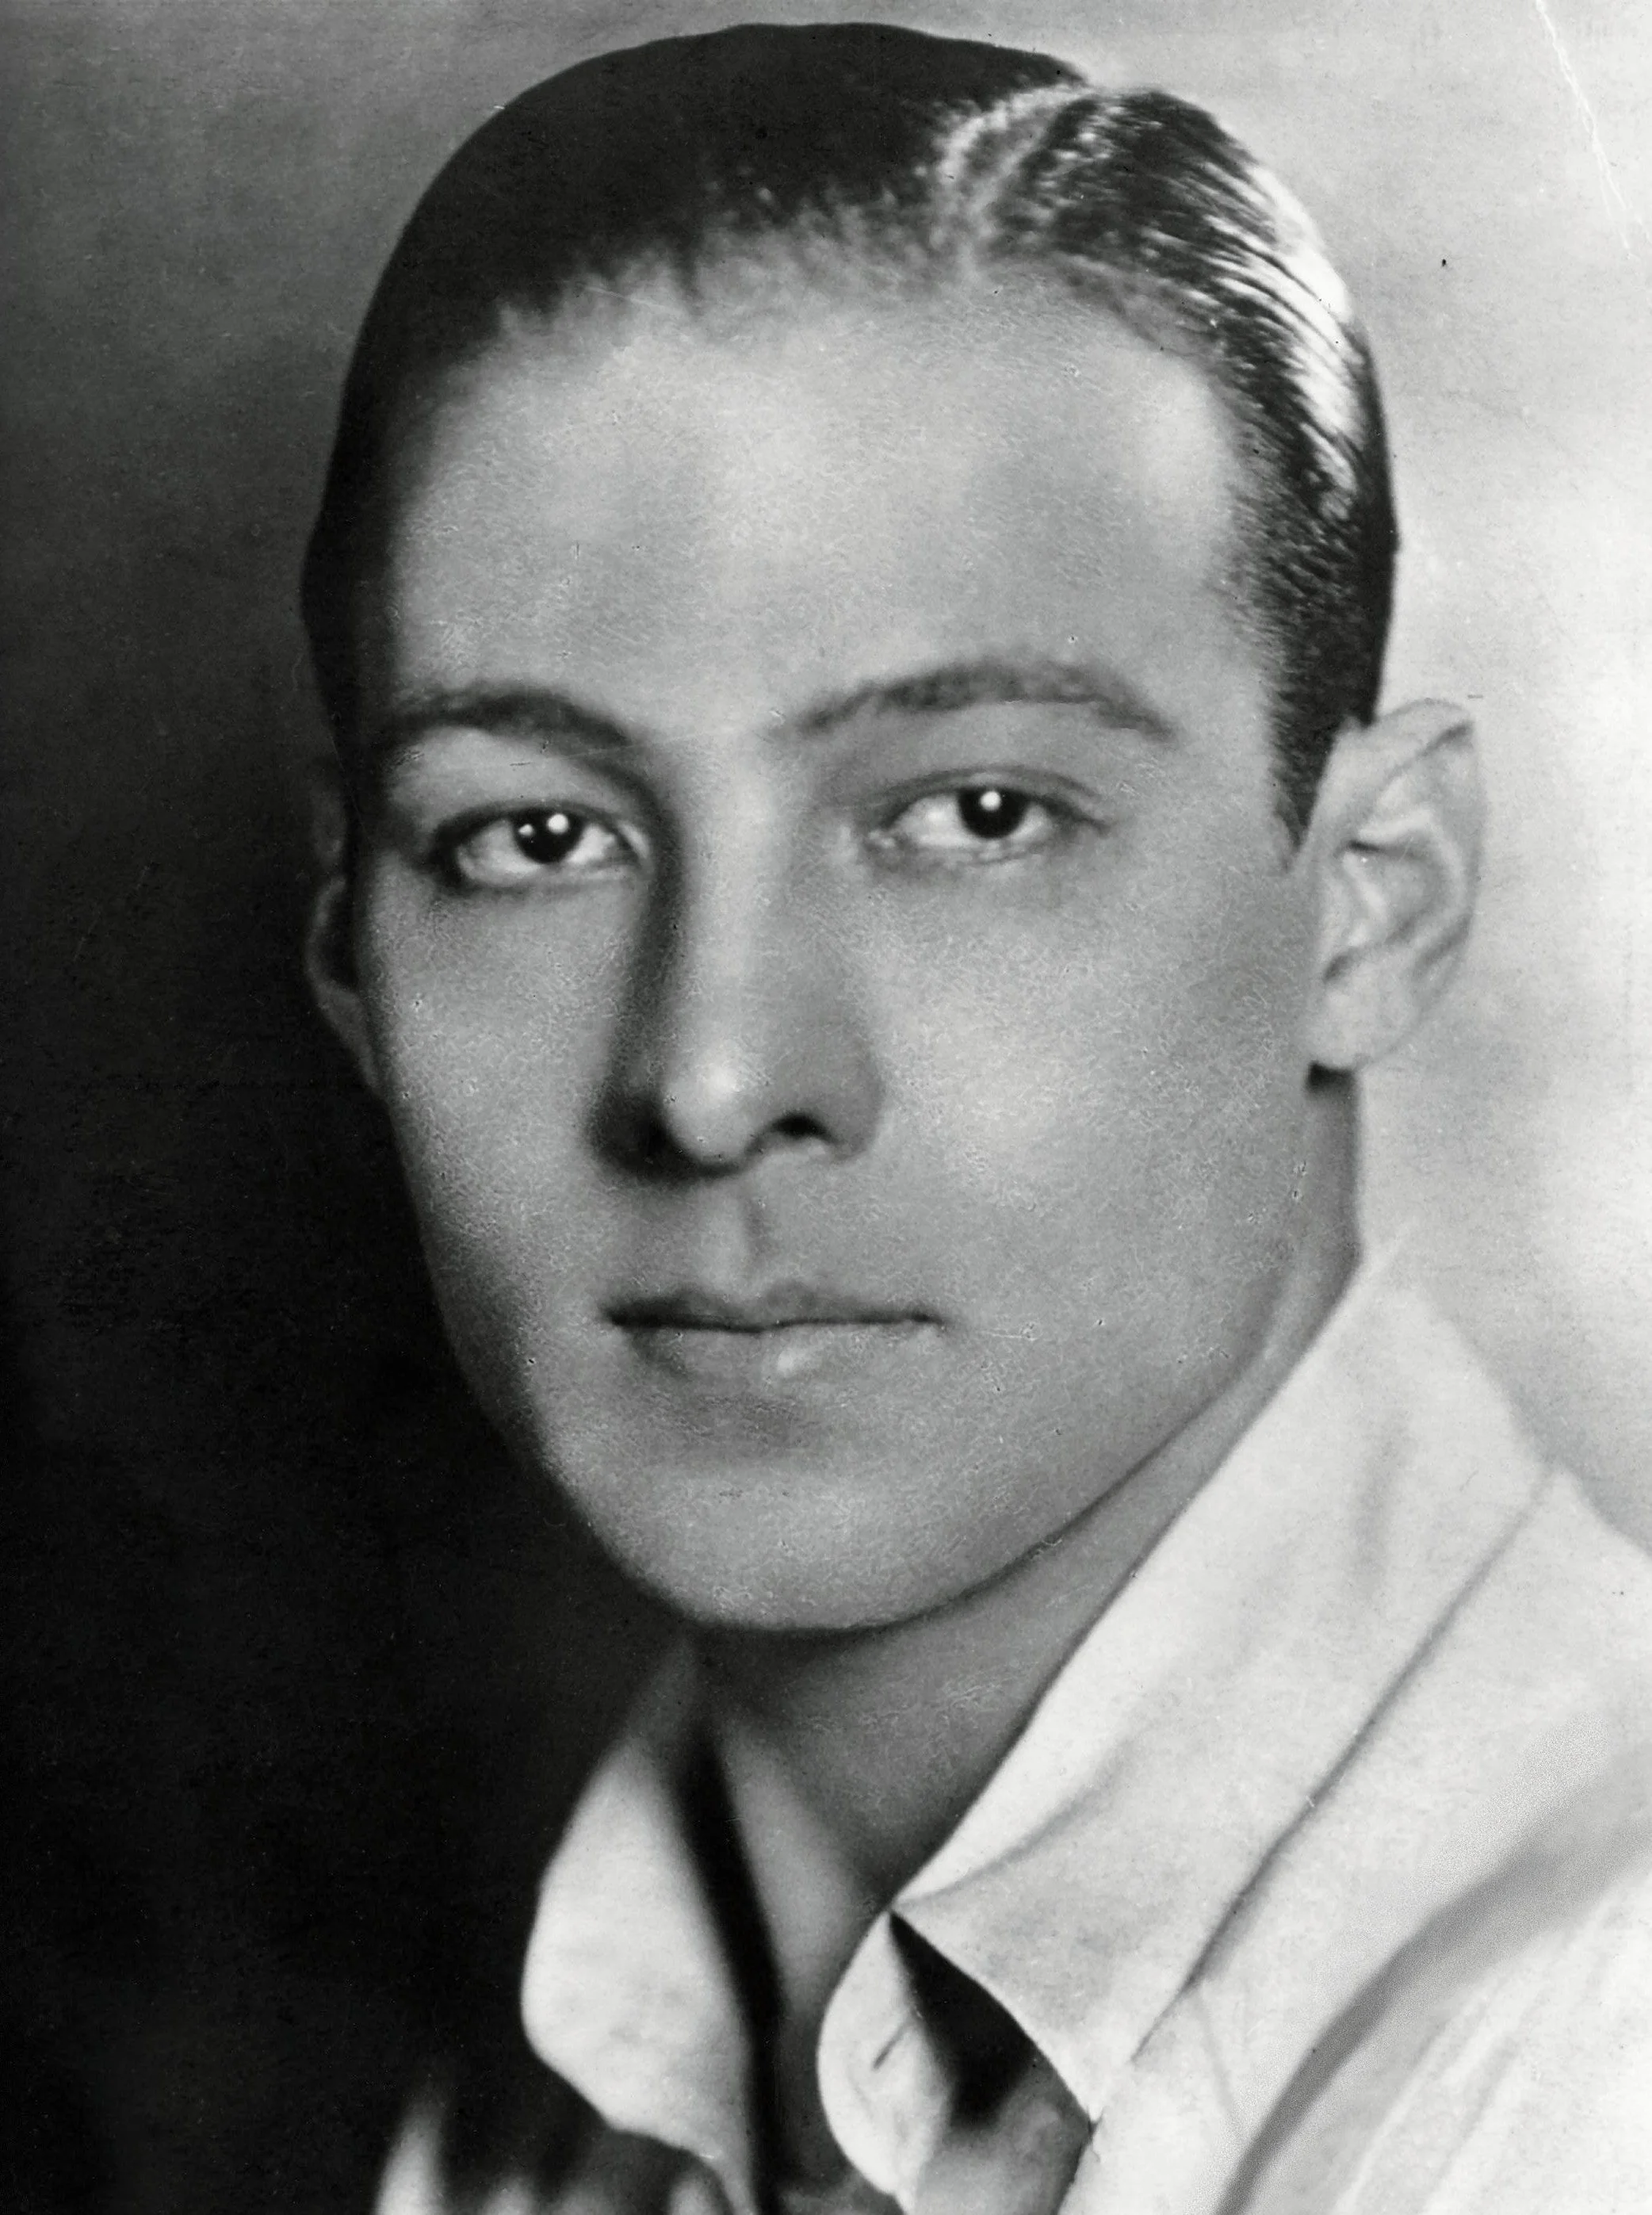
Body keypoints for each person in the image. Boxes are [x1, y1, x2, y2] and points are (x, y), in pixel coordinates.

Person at [299, 22, 1652, 2213]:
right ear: (352, 959)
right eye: (535, 836)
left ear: (1370, 904)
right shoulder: (568, 2090)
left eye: (972, 811)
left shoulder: (1598, 2064)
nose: (714, 1080)